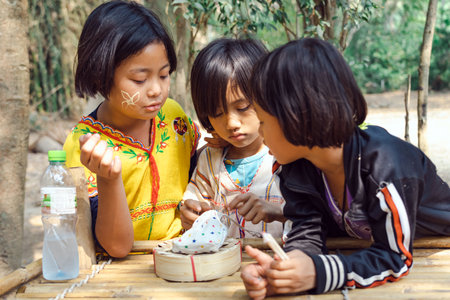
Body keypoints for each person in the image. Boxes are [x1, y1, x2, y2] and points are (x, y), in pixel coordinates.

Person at [240, 37, 450, 298]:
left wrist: (320, 272)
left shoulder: (385, 167)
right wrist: (284, 271)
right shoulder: (296, 169)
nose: (260, 133)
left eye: (262, 121)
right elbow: (308, 232)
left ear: (296, 117)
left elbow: (394, 259)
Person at [63, 0, 200, 258]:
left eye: (164, 74)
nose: (156, 90)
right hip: (120, 277)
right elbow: (116, 247)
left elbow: (199, 179)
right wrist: (108, 178)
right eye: (139, 79)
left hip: (185, 258)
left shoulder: (174, 117)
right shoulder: (83, 144)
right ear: (100, 76)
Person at [179, 38, 289, 239]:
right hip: (223, 267)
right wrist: (191, 211)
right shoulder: (210, 161)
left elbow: (312, 216)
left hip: (280, 264)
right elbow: (192, 202)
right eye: (217, 113)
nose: (231, 123)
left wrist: (280, 213)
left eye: (242, 108)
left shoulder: (287, 156)